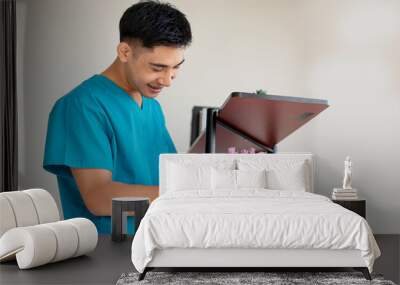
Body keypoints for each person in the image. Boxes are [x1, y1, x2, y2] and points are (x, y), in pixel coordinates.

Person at [43, 1, 192, 233]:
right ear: (124, 52)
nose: (167, 80)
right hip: (110, 253)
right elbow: (99, 198)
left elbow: (165, 175)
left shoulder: (151, 106)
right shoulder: (82, 107)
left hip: (156, 242)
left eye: (176, 68)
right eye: (157, 67)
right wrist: (187, 194)